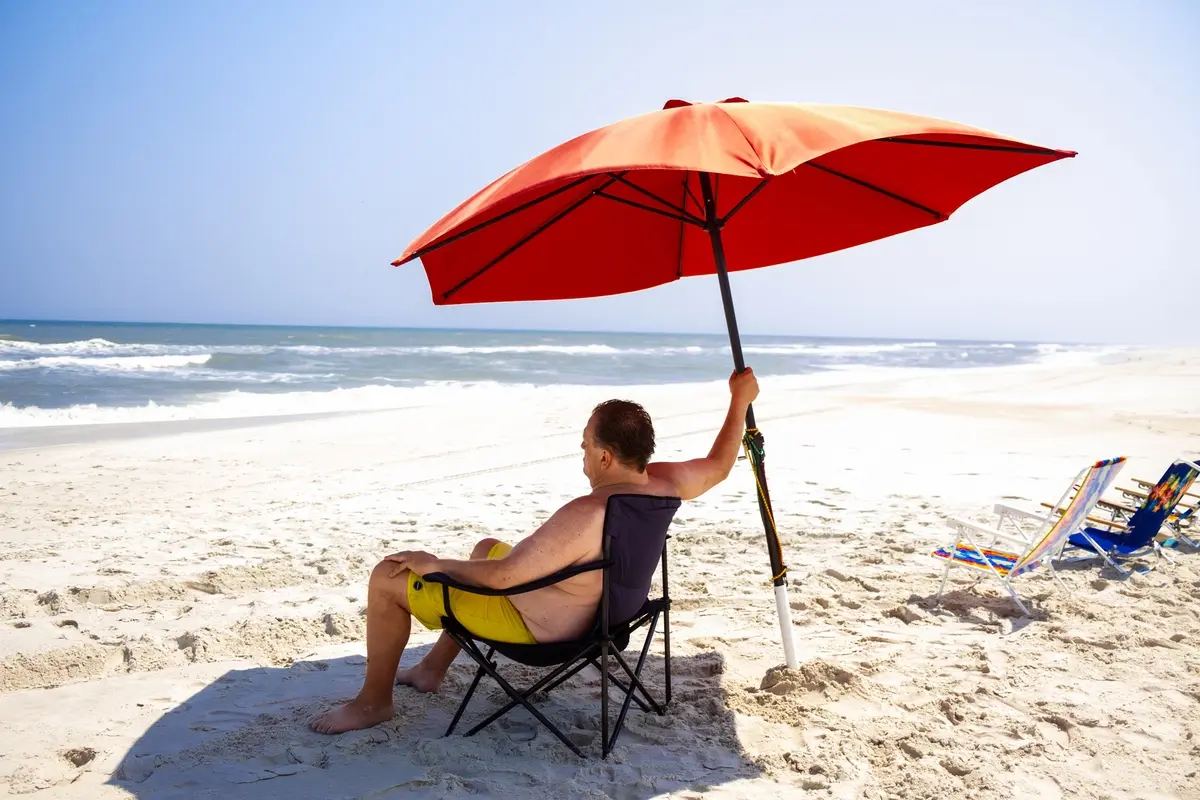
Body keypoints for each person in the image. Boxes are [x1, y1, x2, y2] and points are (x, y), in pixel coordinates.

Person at [310, 368, 760, 734]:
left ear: (605, 457)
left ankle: (373, 704)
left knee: (386, 576)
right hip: (607, 616)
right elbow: (720, 465)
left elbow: (505, 578)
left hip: (540, 631)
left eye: (586, 444)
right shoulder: (665, 484)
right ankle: (431, 669)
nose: (582, 452)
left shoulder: (588, 512)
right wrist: (739, 400)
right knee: (486, 547)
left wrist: (435, 564)